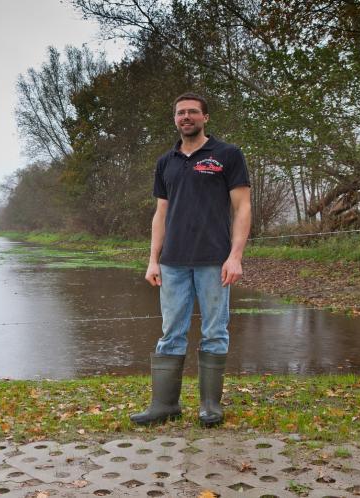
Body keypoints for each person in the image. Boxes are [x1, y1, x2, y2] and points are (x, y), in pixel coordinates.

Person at [130, 93, 251, 427]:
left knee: (215, 331)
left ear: (205, 118)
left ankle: (210, 406)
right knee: (171, 333)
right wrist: (153, 260)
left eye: (193, 112)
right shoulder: (165, 161)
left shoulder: (227, 154)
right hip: (173, 263)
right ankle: (165, 405)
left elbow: (242, 208)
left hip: (214, 260)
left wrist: (235, 257)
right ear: (175, 119)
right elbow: (160, 214)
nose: (186, 117)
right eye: (180, 112)